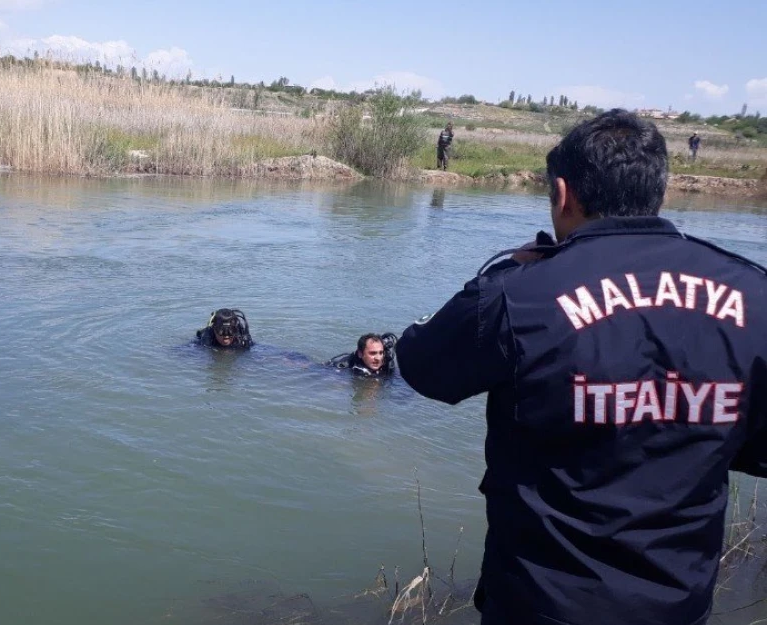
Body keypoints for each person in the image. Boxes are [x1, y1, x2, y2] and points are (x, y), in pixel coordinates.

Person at [396, 109, 767, 625]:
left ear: (564, 193)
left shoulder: (521, 293)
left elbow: (419, 364)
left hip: (540, 603)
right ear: (658, 189)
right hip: (678, 607)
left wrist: (502, 276)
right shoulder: (753, 294)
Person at [327, 333, 398, 377]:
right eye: (372, 353)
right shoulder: (343, 366)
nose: (378, 358)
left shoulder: (387, 363)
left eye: (381, 353)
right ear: (360, 354)